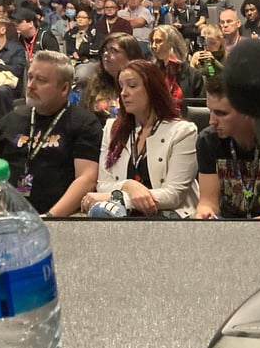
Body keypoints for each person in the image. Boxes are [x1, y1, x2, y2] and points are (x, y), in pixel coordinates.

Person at [0, 51, 101, 218]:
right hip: (8, 216)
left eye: (41, 80)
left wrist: (50, 218)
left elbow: (87, 179)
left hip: (61, 216)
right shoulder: (10, 120)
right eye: (30, 77)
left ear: (64, 88)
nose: (30, 86)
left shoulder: (83, 122)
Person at [81, 59, 198, 219]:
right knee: (101, 213)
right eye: (121, 86)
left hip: (169, 214)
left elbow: (173, 195)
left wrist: (120, 198)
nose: (123, 93)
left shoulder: (183, 132)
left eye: (132, 86)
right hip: (125, 214)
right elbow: (103, 184)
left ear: (152, 89)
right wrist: (129, 185)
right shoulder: (111, 128)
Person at [195, 52, 260, 220]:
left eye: (221, 113)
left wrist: (250, 230)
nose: (211, 121)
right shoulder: (207, 141)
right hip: (226, 229)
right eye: (210, 110)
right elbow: (208, 201)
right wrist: (205, 212)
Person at [81, 32, 142, 125]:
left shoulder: (143, 86)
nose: (106, 54)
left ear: (130, 56)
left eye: (113, 51)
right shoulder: (94, 84)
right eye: (105, 50)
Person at [151, 25, 203, 110]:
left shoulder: (193, 75)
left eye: (158, 41)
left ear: (172, 43)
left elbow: (199, 109)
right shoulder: (152, 72)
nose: (153, 46)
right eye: (152, 41)